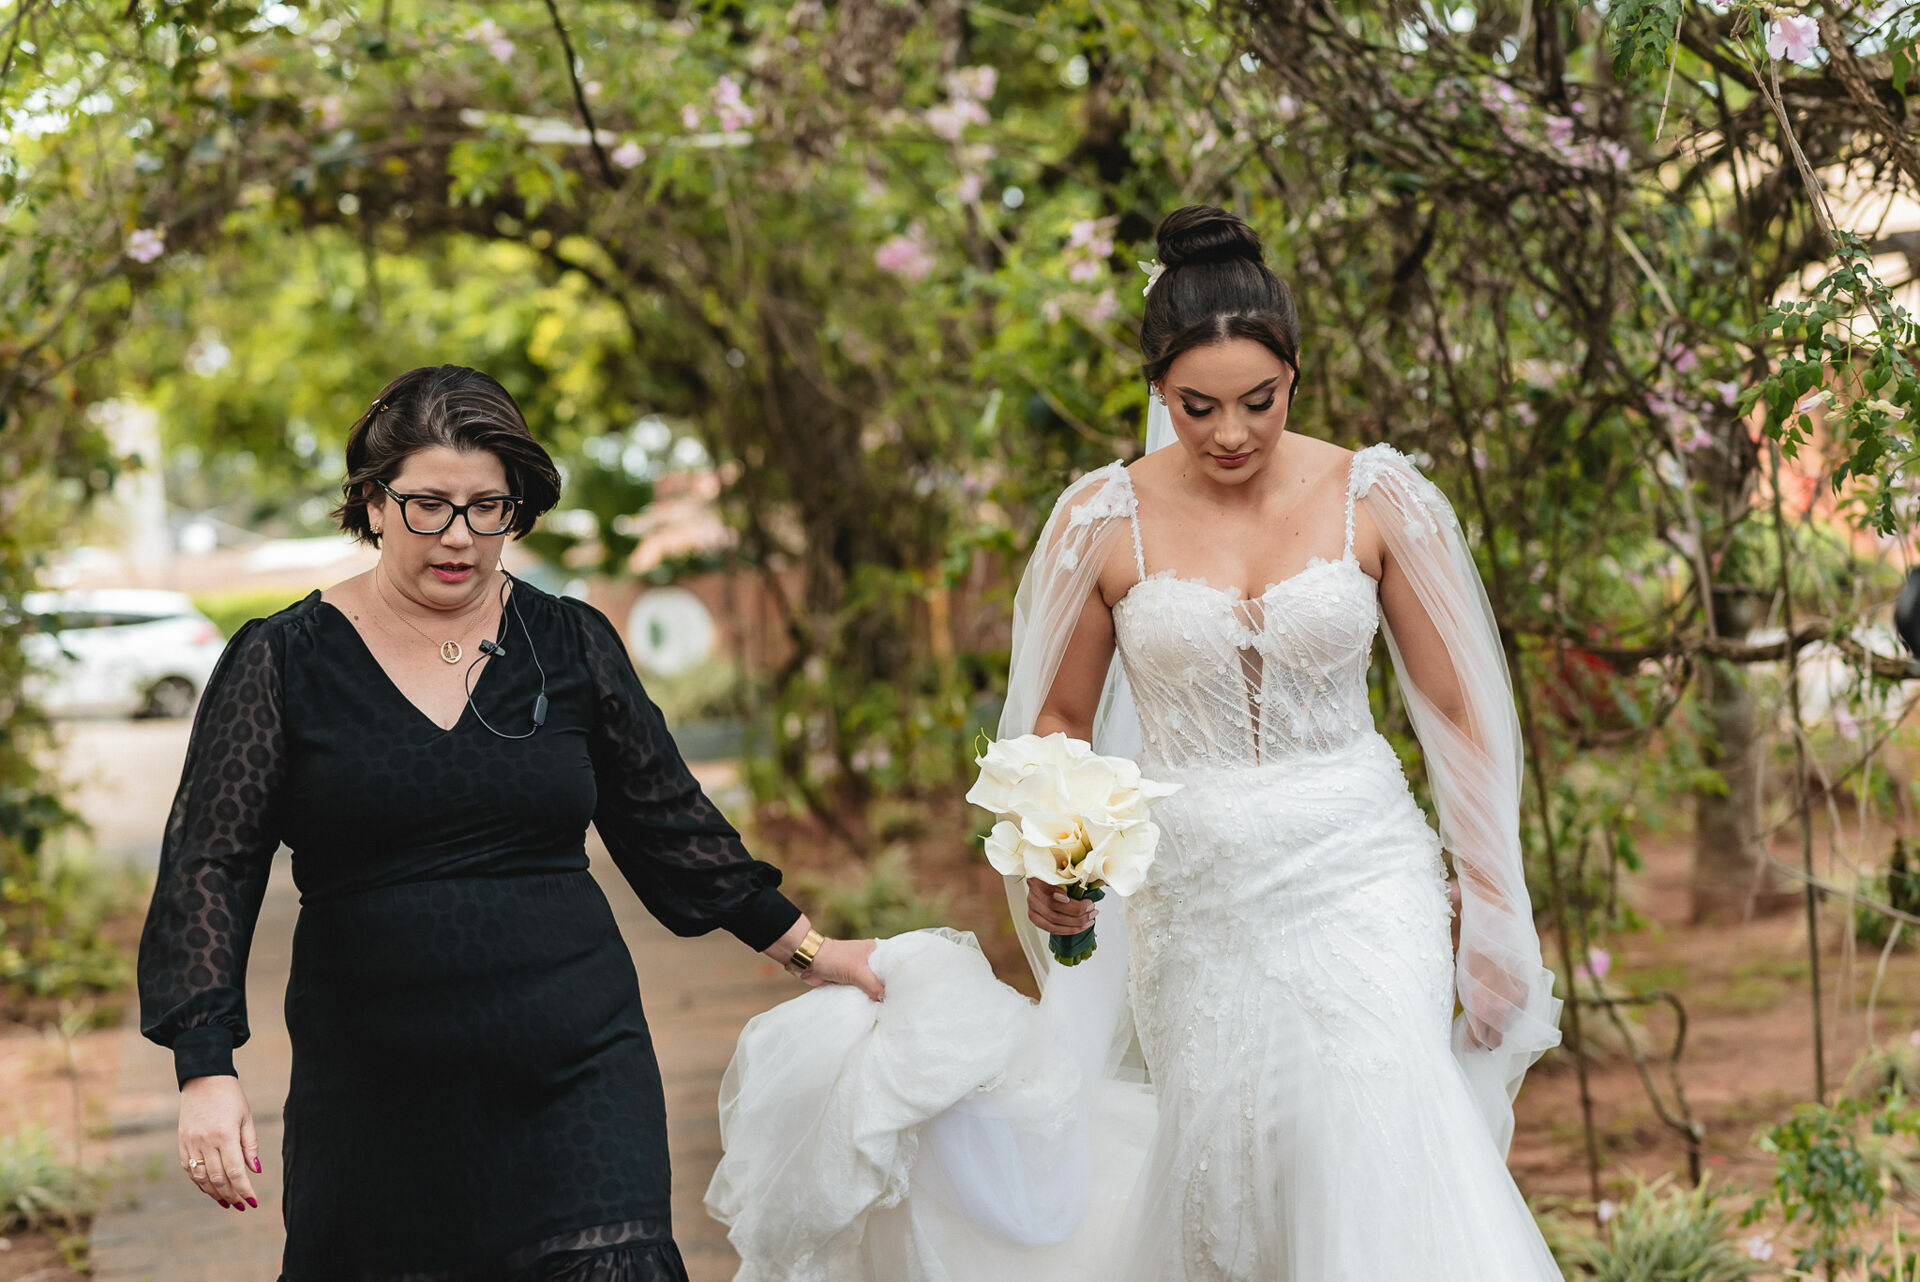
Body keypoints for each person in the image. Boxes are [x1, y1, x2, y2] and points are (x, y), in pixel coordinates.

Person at [706, 206, 1565, 1281]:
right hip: (1194, 901)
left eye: (1261, 399)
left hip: (1362, 872)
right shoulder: (1101, 520)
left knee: (1369, 1120)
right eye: (1198, 406)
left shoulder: (1377, 496)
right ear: (1159, 388)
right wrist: (1062, 865)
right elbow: (1059, 723)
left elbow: (1460, 715)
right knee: (1235, 1162)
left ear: (1296, 372)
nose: (1232, 433)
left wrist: (1492, 907)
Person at [137, 364, 882, 1281]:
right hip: (376, 1085)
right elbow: (208, 867)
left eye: (488, 507)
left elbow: (671, 823)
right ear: (372, 503)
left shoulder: (570, 640)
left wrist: (813, 952)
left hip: (576, 1065)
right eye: (428, 506)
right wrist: (205, 1066)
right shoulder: (281, 662)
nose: (460, 536)